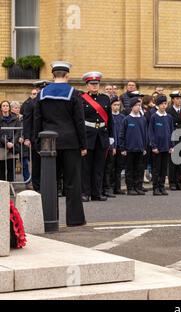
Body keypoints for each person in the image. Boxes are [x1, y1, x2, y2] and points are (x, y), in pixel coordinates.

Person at [34, 61, 87, 227]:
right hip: (70, 141)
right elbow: (79, 121)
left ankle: (49, 218)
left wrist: (38, 143)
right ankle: (75, 220)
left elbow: (37, 120)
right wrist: (83, 144)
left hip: (49, 142)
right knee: (73, 182)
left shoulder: (42, 94)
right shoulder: (73, 93)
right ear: (67, 75)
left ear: (52, 75)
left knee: (50, 182)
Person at [79, 71, 114, 202]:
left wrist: (111, 135)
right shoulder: (82, 99)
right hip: (88, 135)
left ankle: (97, 193)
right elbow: (80, 120)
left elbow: (109, 119)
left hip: (102, 136)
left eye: (96, 84)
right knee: (86, 166)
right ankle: (85, 193)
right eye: (92, 84)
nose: (94, 86)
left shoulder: (105, 98)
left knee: (99, 167)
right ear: (87, 85)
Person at [22, 80, 48, 191]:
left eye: (43, 89)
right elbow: (27, 121)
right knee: (36, 163)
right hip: (35, 137)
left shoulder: (48, 102)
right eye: (40, 89)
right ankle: (37, 187)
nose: (41, 91)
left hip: (47, 137)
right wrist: (27, 137)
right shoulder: (31, 103)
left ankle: (46, 185)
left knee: (47, 162)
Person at [119, 97, 147, 196]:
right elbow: (122, 135)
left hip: (140, 148)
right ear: (131, 107)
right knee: (129, 169)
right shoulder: (126, 119)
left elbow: (145, 134)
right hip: (129, 149)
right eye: (136, 105)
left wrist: (144, 147)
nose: (138, 107)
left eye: (139, 105)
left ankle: (138, 187)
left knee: (139, 169)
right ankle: (130, 188)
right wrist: (122, 148)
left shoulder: (143, 119)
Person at [148, 95, 173, 196]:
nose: (164, 106)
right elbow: (151, 132)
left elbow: (171, 132)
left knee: (164, 169)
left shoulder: (169, 117)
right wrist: (153, 146)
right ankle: (155, 188)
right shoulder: (154, 117)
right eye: (162, 104)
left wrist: (171, 146)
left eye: (165, 104)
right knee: (156, 169)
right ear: (158, 105)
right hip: (157, 148)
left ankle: (162, 186)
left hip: (166, 147)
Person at [167, 90, 181, 191]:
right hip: (173, 138)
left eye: (180, 99)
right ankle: (172, 182)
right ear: (173, 100)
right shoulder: (169, 111)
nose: (179, 100)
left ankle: (179, 181)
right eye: (177, 99)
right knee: (172, 162)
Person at [109, 97, 126, 194]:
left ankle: (117, 187)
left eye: (118, 105)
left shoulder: (122, 117)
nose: (116, 107)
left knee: (119, 168)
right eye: (114, 105)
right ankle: (110, 187)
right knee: (111, 167)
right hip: (112, 146)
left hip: (120, 146)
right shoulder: (109, 117)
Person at [0, 100, 20, 182]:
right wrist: (6, 142)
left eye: (7, 105)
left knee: (11, 169)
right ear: (1, 108)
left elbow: (18, 132)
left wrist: (12, 142)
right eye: (3, 106)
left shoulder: (15, 118)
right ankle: (2, 189)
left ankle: (10, 188)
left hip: (13, 146)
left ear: (9, 108)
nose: (5, 107)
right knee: (1, 169)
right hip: (1, 147)